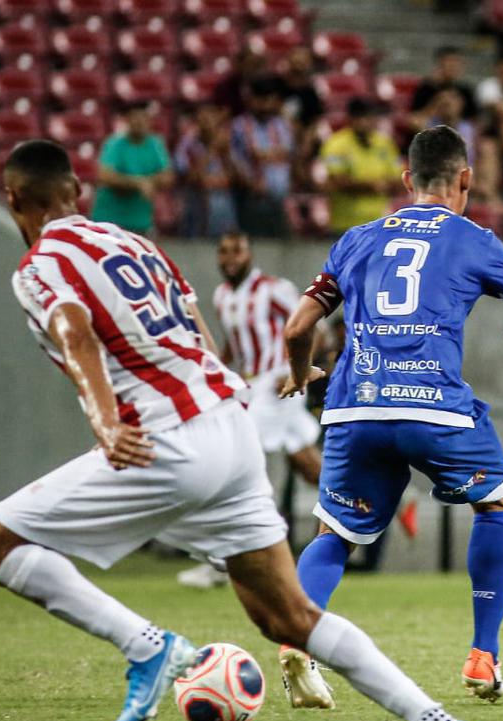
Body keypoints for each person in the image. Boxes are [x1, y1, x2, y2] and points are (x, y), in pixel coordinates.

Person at [0, 139, 481, 721]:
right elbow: (199, 330)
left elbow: (74, 330)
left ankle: (147, 646)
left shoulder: (41, 264)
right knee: (287, 616)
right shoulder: (137, 245)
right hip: (230, 427)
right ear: (79, 191)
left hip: (168, 437)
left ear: (14, 197)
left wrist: (104, 420)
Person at [278, 125, 503, 705]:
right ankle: (484, 654)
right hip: (434, 406)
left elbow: (297, 327)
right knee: (497, 502)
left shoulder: (356, 238)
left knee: (334, 533)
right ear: (466, 180)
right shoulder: (476, 239)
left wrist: (303, 371)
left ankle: (296, 639)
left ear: (407, 181)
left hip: (356, 405)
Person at [175, 230, 323, 590]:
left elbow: (308, 325)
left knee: (238, 459)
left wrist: (297, 369)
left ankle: (224, 561)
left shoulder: (274, 289)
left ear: (250, 254)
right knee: (304, 461)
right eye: (223, 252)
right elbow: (234, 344)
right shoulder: (223, 295)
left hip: (279, 384)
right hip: (250, 384)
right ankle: (376, 501)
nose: (230, 258)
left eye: (237, 251)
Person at [319, 98, 402, 233]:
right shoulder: (336, 144)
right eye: (366, 117)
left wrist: (380, 185)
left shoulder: (384, 144)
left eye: (373, 117)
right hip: (346, 226)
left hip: (379, 223)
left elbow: (398, 180)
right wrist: (373, 186)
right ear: (352, 119)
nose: (371, 122)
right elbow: (338, 182)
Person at [91, 103, 173, 235]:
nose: (139, 122)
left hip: (141, 222)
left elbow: (168, 176)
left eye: (143, 118)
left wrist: (148, 182)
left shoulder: (155, 144)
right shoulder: (114, 143)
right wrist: (138, 183)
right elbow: (105, 175)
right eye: (135, 118)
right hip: (109, 222)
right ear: (127, 120)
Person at [231, 74, 293, 238]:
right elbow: (241, 158)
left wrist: (264, 154)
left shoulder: (280, 124)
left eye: (269, 99)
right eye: (261, 99)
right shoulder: (240, 125)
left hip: (280, 198)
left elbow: (287, 152)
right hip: (252, 196)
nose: (265, 105)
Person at [174, 104, 238, 238]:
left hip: (224, 204)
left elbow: (238, 178)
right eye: (202, 117)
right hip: (196, 204)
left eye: (211, 116)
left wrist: (227, 155)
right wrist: (211, 150)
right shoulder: (187, 144)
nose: (207, 120)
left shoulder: (227, 142)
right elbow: (191, 178)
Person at [409, 46, 478, 129]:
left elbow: (474, 119)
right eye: (449, 62)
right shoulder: (427, 88)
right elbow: (414, 116)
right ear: (439, 64)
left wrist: (455, 109)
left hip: (459, 128)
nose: (453, 66)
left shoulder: (465, 90)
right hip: (433, 124)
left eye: (456, 63)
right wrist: (437, 103)